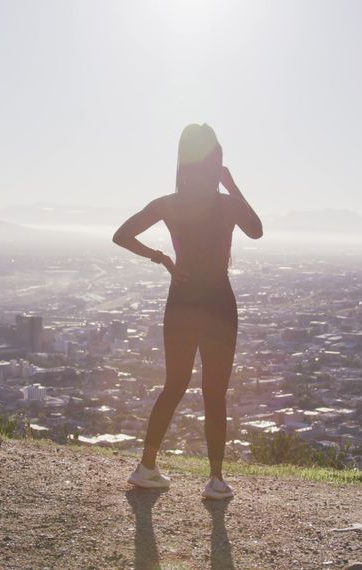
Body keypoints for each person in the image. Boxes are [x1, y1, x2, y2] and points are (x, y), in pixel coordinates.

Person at [113, 123, 263, 500]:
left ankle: (146, 467)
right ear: (217, 161)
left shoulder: (170, 203)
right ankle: (215, 480)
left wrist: (162, 258)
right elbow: (256, 230)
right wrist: (231, 184)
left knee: (174, 384)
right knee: (215, 392)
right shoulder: (226, 204)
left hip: (180, 301)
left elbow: (122, 234)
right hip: (218, 303)